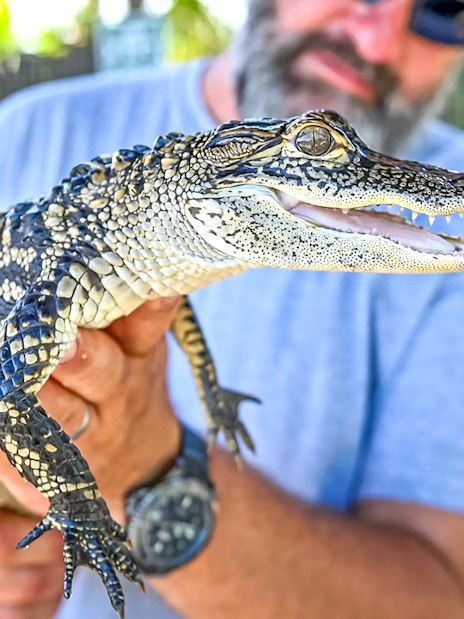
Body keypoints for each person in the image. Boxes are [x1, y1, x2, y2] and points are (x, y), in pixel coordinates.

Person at [1, 0, 464, 617]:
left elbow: (438, 599)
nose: (376, 41)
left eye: (443, 8)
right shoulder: (20, 134)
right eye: (315, 145)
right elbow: (12, 396)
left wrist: (149, 465)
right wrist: (74, 507)